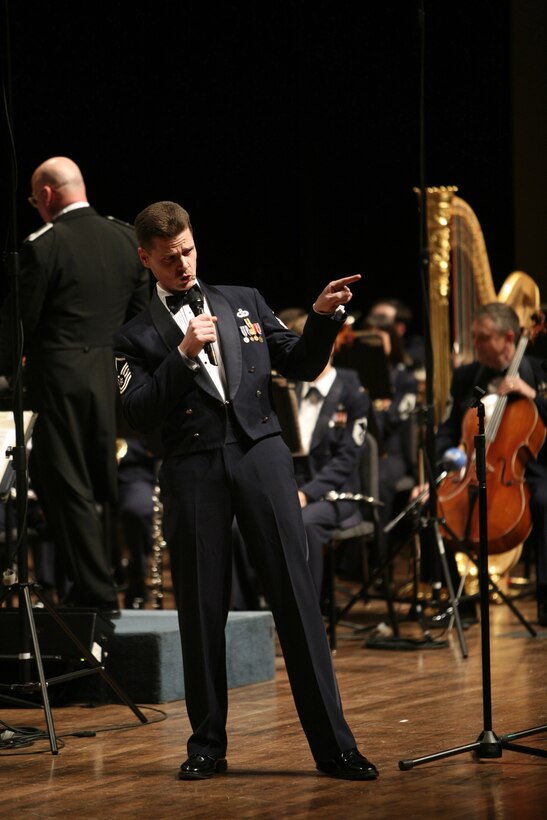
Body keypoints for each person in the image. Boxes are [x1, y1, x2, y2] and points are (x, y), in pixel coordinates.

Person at [113, 200, 379, 782]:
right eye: (168, 258)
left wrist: (322, 317)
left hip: (262, 455)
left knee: (296, 597)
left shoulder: (244, 301)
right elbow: (131, 414)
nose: (182, 264)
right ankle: (207, 744)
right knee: (203, 607)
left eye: (187, 250)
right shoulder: (134, 335)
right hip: (191, 468)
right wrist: (181, 358)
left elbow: (304, 365)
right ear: (145, 259)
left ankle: (334, 747)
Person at [0, 156, 151, 614]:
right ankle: (98, 580)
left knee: (64, 485)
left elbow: (20, 323)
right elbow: (143, 318)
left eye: (34, 199)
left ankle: (96, 591)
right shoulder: (127, 238)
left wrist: (8, 374)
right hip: (110, 376)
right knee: (98, 484)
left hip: (59, 380)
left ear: (45, 195)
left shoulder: (43, 244)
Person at [417, 302, 547, 626]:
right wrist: (451, 457)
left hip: (528, 469)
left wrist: (531, 394)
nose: (474, 346)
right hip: (473, 467)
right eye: (474, 338)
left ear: (507, 338)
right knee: (433, 505)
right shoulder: (465, 377)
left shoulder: (542, 370)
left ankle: (546, 595)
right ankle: (456, 601)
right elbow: (448, 429)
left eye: (482, 339)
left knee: (546, 501)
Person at [232, 313, 372, 604]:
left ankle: (307, 612)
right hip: (289, 489)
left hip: (334, 494)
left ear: (329, 347)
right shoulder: (285, 391)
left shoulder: (354, 394)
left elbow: (347, 459)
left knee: (304, 524)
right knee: (237, 525)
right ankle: (250, 614)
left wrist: (307, 494)